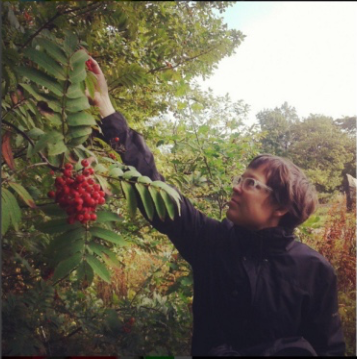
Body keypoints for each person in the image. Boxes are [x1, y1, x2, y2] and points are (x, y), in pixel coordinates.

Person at [86, 58, 346, 356]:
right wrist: (106, 106)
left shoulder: (314, 270)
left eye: (251, 183)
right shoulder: (211, 241)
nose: (236, 187)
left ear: (281, 206)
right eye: (241, 179)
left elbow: (328, 348)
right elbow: (155, 191)